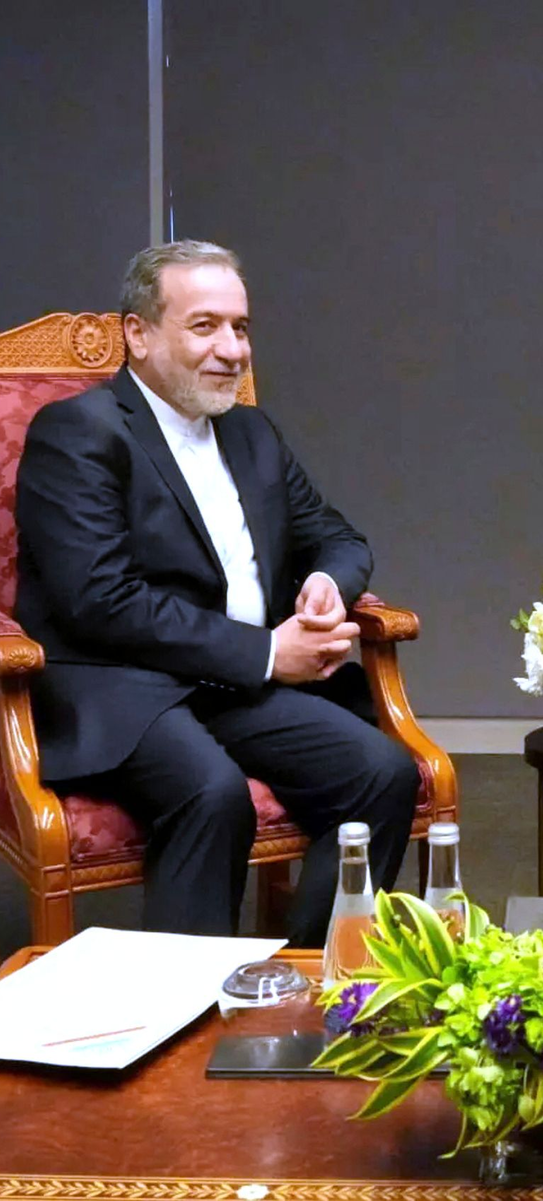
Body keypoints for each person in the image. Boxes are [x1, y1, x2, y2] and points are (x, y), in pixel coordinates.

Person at [15, 239, 420, 944]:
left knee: (380, 772)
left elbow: (340, 537)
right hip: (124, 686)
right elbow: (100, 600)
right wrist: (267, 652)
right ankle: (185, 1025)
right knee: (211, 792)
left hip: (229, 682)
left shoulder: (251, 432)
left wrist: (324, 584)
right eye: (205, 325)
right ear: (137, 335)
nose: (232, 348)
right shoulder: (77, 433)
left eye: (241, 327)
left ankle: (303, 987)